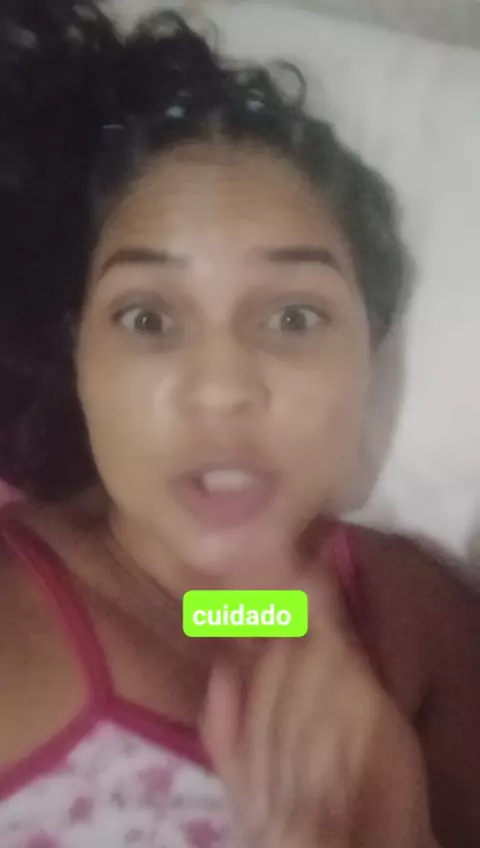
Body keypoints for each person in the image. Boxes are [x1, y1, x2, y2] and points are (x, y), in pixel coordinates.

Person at [0, 2, 478, 846]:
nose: (220, 389)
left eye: (293, 317)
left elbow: (224, 613)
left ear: (368, 355)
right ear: (80, 360)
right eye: (148, 318)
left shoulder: (421, 622)